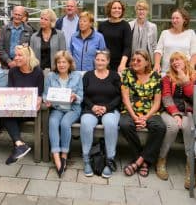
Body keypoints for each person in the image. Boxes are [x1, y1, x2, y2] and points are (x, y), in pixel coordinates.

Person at [120, 50, 166, 177]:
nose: (135, 62)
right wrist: (134, 116)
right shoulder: (127, 73)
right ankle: (144, 160)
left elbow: (157, 103)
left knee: (160, 127)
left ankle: (138, 161)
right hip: (130, 109)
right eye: (133, 60)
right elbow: (125, 98)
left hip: (150, 111)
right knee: (125, 124)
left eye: (138, 60)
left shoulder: (156, 76)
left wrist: (146, 117)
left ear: (147, 62)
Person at [156, 52, 195, 189]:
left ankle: (190, 166)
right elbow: (166, 97)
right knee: (172, 127)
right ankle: (161, 159)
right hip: (169, 111)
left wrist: (185, 80)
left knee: (188, 127)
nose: (175, 62)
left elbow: (193, 98)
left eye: (178, 59)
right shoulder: (167, 78)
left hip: (188, 112)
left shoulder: (193, 76)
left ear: (185, 61)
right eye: (172, 60)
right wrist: (175, 114)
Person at [80, 50, 121, 178]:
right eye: (97, 59)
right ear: (94, 60)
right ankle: (86, 159)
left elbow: (119, 96)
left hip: (109, 109)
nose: (100, 62)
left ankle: (110, 160)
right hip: (91, 109)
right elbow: (84, 95)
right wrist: (93, 106)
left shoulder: (114, 76)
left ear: (108, 61)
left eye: (103, 60)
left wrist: (106, 107)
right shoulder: (88, 75)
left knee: (110, 124)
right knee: (86, 123)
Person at [43, 51, 83, 178]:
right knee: (53, 122)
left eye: (64, 62)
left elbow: (81, 97)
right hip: (57, 108)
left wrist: (74, 96)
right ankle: (56, 155)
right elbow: (45, 94)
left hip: (72, 109)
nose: (61, 65)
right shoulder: (50, 76)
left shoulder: (77, 76)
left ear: (69, 63)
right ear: (56, 64)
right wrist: (47, 100)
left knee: (65, 123)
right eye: (59, 62)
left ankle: (64, 154)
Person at [3, 45, 44, 164]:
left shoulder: (38, 72)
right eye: (15, 55)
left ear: (28, 57)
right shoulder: (13, 71)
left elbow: (40, 93)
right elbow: (11, 91)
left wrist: (39, 99)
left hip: (30, 109)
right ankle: (19, 145)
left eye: (20, 55)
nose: (16, 58)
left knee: (7, 117)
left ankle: (19, 147)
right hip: (16, 107)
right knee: (5, 115)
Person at [154, 8, 196, 75]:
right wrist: (157, 64)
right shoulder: (164, 33)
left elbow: (194, 53)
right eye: (173, 18)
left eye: (177, 18)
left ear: (184, 20)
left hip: (184, 73)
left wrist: (191, 68)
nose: (174, 20)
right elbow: (158, 51)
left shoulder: (191, 33)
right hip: (166, 72)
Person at [98, 0, 132, 73]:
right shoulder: (102, 25)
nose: (117, 10)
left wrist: (122, 64)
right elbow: (99, 46)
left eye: (119, 8)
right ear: (109, 9)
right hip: (104, 64)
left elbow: (127, 47)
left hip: (120, 65)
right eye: (114, 8)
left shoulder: (125, 25)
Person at [129, 0, 157, 64]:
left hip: (147, 61)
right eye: (139, 9)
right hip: (132, 60)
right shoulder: (130, 25)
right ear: (136, 11)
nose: (141, 11)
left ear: (147, 11)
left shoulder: (153, 27)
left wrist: (155, 63)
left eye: (144, 9)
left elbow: (154, 46)